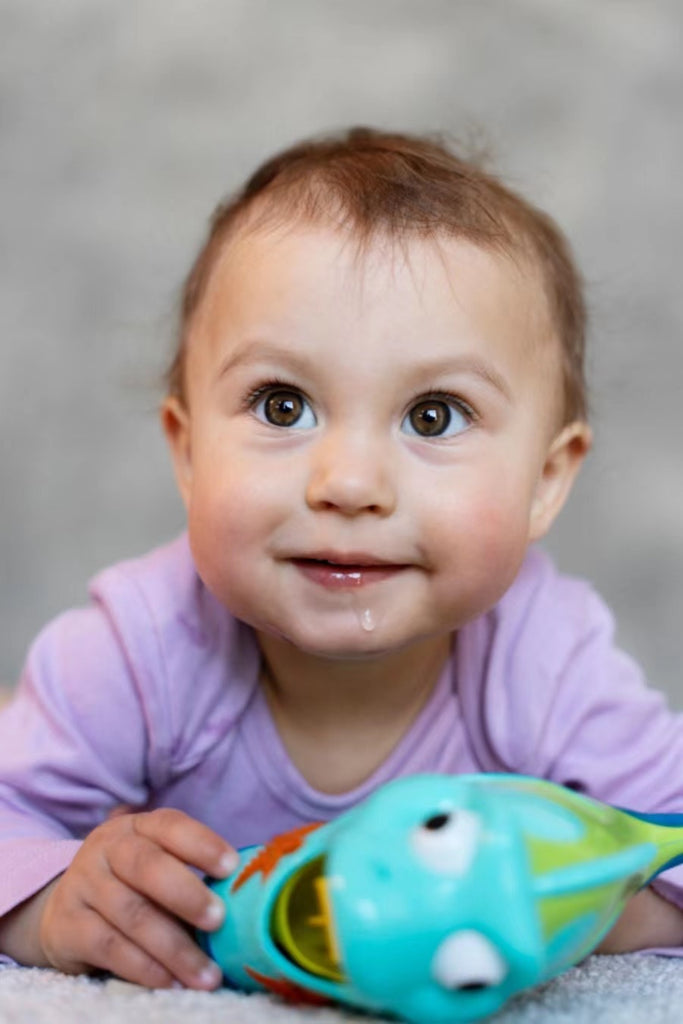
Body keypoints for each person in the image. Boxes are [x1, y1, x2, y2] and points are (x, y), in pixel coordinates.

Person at [1, 127, 683, 993]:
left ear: (544, 480)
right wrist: (52, 903)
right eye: (281, 404)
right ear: (187, 450)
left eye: (432, 415)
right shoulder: (139, 647)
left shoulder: (544, 660)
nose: (350, 483)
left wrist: (587, 905)